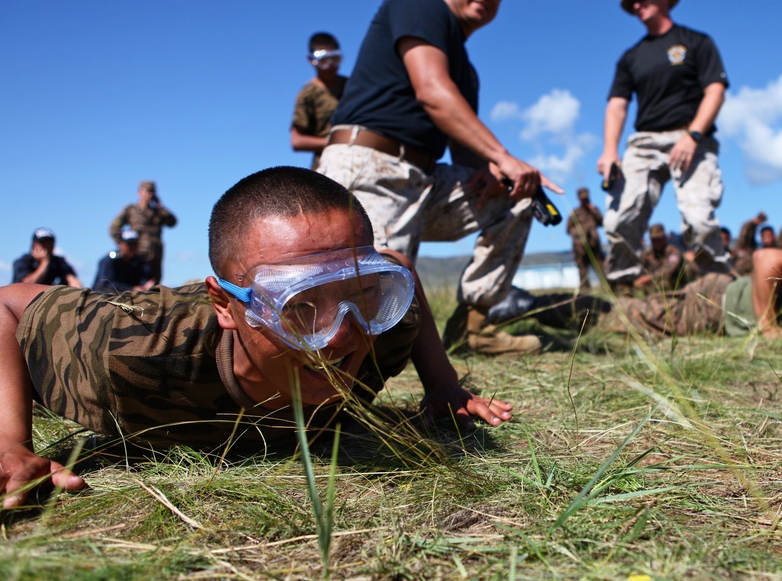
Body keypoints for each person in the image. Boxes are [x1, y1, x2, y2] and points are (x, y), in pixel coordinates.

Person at [0, 166, 513, 510]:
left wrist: (443, 384)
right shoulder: (131, 351)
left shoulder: (385, 328)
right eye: (302, 308)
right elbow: (6, 302)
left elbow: (399, 268)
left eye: (362, 292)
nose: (340, 338)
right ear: (226, 305)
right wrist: (9, 441)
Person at [317, 0, 561, 356]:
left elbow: (467, 154)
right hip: (371, 168)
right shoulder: (421, 4)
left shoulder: (465, 71)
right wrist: (503, 156)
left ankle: (475, 328)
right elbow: (432, 93)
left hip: (422, 180)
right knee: (372, 309)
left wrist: (496, 172)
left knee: (520, 197)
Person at [495, 236, 782, 340]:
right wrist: (767, 328)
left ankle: (524, 307)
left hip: (721, 309)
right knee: (618, 320)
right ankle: (521, 304)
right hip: (714, 306)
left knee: (624, 317)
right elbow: (769, 258)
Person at [599, 0, 730, 294]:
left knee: (699, 220)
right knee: (618, 220)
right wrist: (609, 150)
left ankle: (717, 288)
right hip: (645, 143)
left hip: (691, 139)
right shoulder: (630, 58)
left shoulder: (697, 42)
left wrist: (693, 136)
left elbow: (715, 90)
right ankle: (623, 288)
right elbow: (617, 105)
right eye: (633, 1)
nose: (638, 4)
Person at [290, 32, 349, 170]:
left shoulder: (353, 86)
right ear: (311, 59)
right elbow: (297, 141)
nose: (329, 65)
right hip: (328, 166)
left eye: (335, 59)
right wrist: (336, 142)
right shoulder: (308, 94)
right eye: (323, 60)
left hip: (361, 160)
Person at [109, 181, 178, 285]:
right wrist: (123, 245)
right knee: (138, 284)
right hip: (139, 254)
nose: (150, 195)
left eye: (152, 192)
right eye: (147, 192)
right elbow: (114, 228)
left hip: (156, 254)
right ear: (140, 193)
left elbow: (172, 222)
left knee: (155, 286)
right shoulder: (131, 210)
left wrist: (161, 206)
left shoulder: (159, 212)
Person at [11, 228, 82, 287]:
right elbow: (24, 287)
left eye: (50, 244)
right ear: (34, 245)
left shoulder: (59, 262)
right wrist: (45, 262)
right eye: (44, 244)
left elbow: (73, 281)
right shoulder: (24, 261)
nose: (47, 248)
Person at [92, 228, 154, 293]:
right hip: (103, 297)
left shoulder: (140, 262)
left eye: (134, 244)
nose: (132, 247)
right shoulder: (110, 260)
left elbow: (146, 279)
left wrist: (147, 285)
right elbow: (105, 284)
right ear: (120, 244)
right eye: (129, 244)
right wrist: (131, 289)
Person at [567, 187, 604, 290]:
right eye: (583, 199)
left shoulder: (594, 210)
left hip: (594, 245)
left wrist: (593, 210)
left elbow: (601, 222)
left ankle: (606, 288)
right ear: (578, 199)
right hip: (580, 248)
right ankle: (585, 293)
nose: (585, 200)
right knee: (583, 271)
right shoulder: (575, 212)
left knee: (601, 268)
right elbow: (568, 229)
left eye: (586, 198)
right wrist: (578, 234)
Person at [634, 223, 686, 293]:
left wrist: (649, 278)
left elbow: (668, 270)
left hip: (673, 284)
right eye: (654, 240)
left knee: (663, 284)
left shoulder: (673, 252)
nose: (656, 242)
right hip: (652, 284)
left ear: (664, 238)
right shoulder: (647, 254)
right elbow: (643, 271)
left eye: (659, 239)